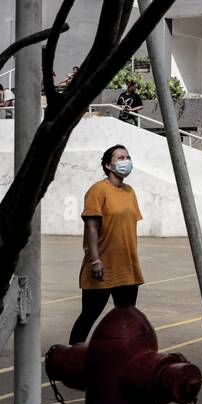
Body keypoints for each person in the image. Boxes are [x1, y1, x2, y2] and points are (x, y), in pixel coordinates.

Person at [69, 145, 144, 343]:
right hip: (101, 265)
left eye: (128, 156)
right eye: (120, 157)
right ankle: (72, 356)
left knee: (126, 318)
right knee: (89, 315)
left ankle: (124, 357)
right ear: (108, 165)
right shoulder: (98, 190)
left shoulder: (130, 192)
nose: (126, 161)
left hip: (126, 267)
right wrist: (95, 260)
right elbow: (91, 228)